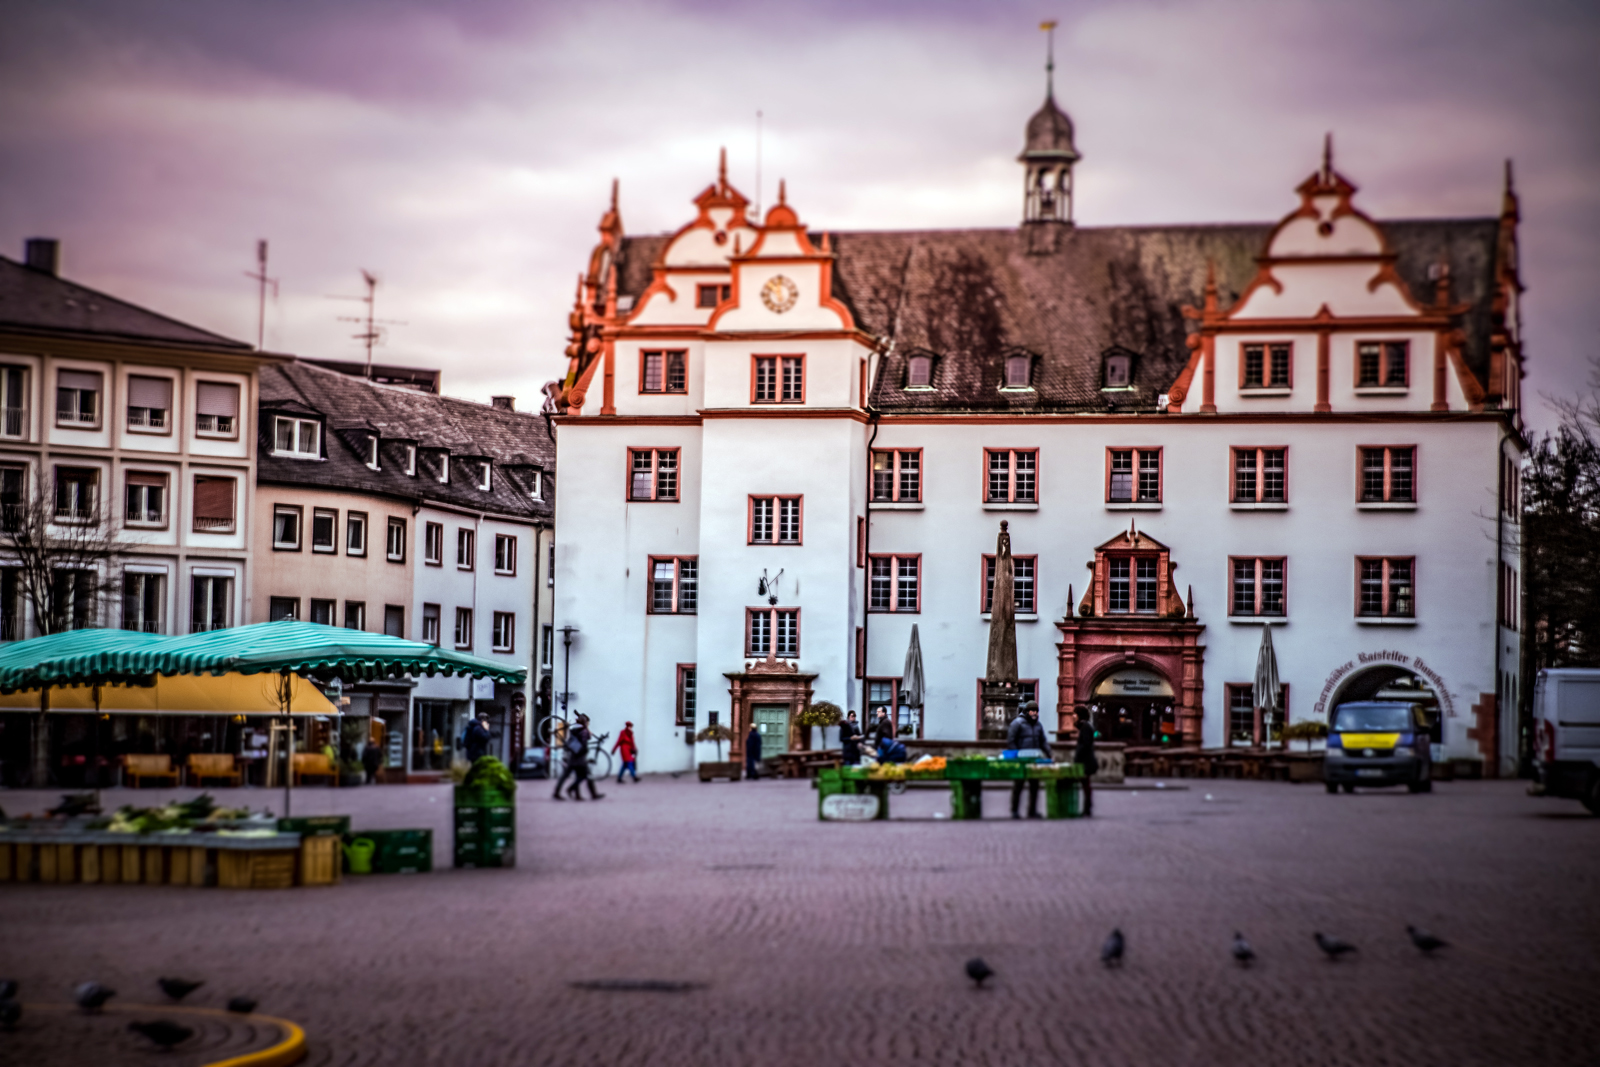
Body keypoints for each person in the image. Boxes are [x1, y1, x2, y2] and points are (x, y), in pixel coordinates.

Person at [1007, 701, 1052, 819]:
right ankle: (1014, 811)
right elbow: (1011, 740)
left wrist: (1049, 754)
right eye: (1032, 711)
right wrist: (1016, 755)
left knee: (1034, 786)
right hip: (1021, 760)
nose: (1034, 713)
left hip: (1034, 759)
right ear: (1026, 712)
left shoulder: (1038, 725)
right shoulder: (1017, 723)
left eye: (1036, 711)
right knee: (1018, 786)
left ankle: (1032, 811)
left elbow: (1043, 741)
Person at [553, 714, 604, 801]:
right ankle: (590, 794)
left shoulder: (574, 730)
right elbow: (585, 741)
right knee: (588, 776)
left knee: (567, 776)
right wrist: (586, 728)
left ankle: (562, 793)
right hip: (580, 759)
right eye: (587, 722)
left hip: (572, 757)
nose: (588, 724)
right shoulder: (584, 731)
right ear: (585, 722)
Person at [1073, 708, 1097, 817]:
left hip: (1086, 761)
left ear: (1079, 715)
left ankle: (1087, 809)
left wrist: (1078, 755)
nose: (1073, 716)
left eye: (1075, 714)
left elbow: (1086, 744)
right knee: (1085, 784)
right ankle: (1087, 808)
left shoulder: (1085, 727)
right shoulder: (1085, 726)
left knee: (1086, 785)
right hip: (1085, 760)